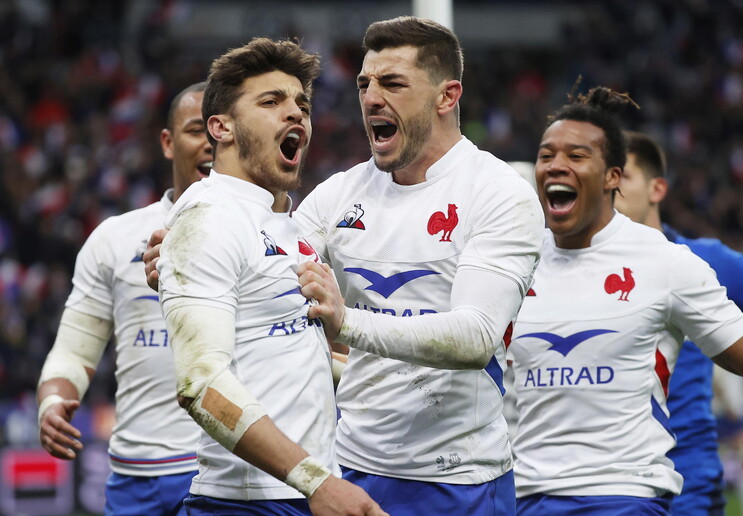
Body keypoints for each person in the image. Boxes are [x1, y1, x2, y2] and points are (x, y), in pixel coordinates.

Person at [293, 16, 543, 515]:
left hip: (457, 482)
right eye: (365, 83)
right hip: (350, 469)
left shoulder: (497, 194)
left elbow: (475, 338)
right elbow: (269, 267)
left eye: (393, 83)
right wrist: (197, 248)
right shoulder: (340, 194)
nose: (370, 98)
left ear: (447, 96)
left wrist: (348, 322)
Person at [506, 83, 743, 515]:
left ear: (614, 177)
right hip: (523, 498)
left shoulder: (666, 264)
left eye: (576, 156)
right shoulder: (511, 265)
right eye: (545, 155)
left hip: (623, 495)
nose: (556, 165)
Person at [154, 37, 385, 516]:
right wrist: (317, 482)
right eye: (271, 101)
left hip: (302, 490)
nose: (296, 113)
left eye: (302, 103)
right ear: (221, 127)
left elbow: (293, 354)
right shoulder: (208, 217)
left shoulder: (285, 225)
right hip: (245, 503)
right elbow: (202, 385)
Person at [36, 81, 212, 516]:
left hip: (229, 473)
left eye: (222, 132)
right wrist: (53, 404)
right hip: (137, 479)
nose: (211, 144)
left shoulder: (275, 237)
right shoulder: (115, 238)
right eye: (196, 131)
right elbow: (73, 353)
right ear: (168, 143)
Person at [615, 130, 743, 515]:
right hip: (609, 485)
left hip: (688, 484)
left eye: (624, 178)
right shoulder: (570, 269)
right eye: (607, 176)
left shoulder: (712, 263)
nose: (611, 188)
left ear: (657, 189)